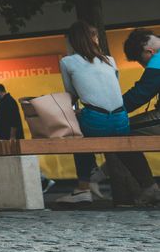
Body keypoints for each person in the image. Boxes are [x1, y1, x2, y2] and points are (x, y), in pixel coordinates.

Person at [61, 21, 160, 206]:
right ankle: (147, 186)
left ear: (149, 52)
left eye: (142, 62)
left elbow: (143, 91)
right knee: (122, 136)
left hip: (104, 119)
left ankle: (84, 186)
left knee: (79, 131)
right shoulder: (110, 60)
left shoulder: (67, 61)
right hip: (120, 118)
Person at [0, 83, 59, 198]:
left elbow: (13, 121)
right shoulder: (4, 102)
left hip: (10, 139)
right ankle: (41, 181)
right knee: (14, 163)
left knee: (17, 162)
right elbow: (3, 120)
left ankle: (43, 181)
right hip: (8, 138)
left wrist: (12, 137)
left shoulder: (9, 102)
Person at [121, 28, 160, 112]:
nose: (145, 67)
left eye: (142, 61)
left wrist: (111, 110)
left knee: (132, 124)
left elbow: (137, 97)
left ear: (149, 52)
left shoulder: (157, 60)